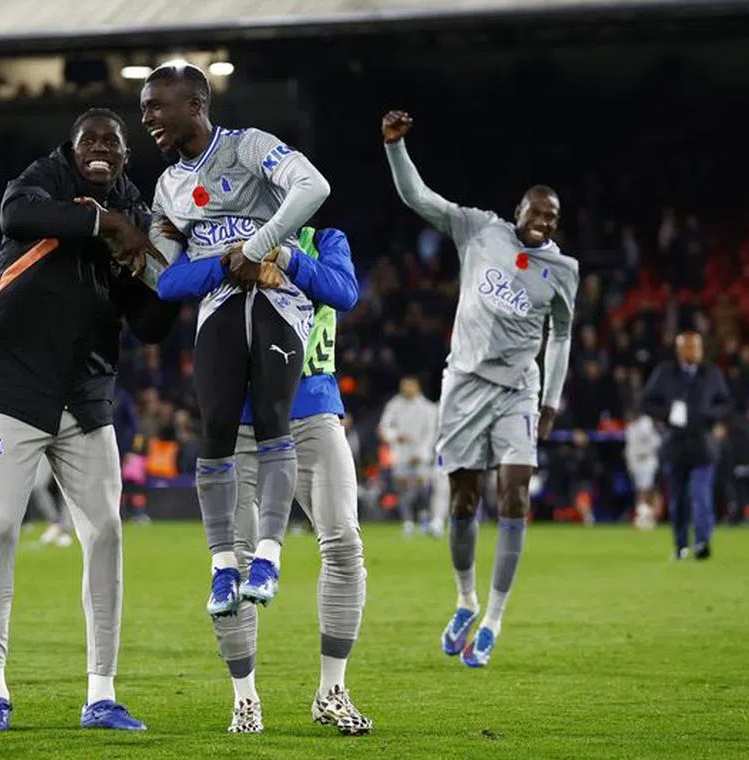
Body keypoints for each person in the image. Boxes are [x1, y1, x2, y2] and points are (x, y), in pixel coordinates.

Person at [0, 108, 179, 732]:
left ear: (124, 156)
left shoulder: (139, 212)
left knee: (107, 533)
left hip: (86, 395)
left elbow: (147, 325)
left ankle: (101, 693)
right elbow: (17, 217)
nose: (98, 149)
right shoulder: (43, 182)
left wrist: (163, 277)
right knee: (2, 528)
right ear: (73, 146)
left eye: (111, 143)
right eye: (89, 139)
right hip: (15, 391)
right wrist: (108, 224)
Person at [383, 109, 579, 668]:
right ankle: (466, 599)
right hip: (465, 384)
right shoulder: (479, 229)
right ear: (518, 210)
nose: (543, 220)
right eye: (536, 210)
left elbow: (561, 336)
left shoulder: (563, 271)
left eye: (552, 215)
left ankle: (494, 616)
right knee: (464, 499)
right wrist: (396, 148)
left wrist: (550, 402)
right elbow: (420, 199)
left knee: (514, 491)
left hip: (518, 387)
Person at [157, 226, 371, 735]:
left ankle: (332, 691)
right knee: (237, 557)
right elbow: (172, 282)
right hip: (241, 423)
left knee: (343, 541)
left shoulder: (326, 238)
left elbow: (344, 292)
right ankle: (245, 697)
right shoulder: (218, 237)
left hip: (314, 408)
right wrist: (232, 261)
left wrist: (286, 259)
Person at [141, 62, 331, 617]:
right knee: (216, 429)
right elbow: (164, 280)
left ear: (195, 105)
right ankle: (224, 566)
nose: (148, 118)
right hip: (220, 308)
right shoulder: (169, 187)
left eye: (157, 106)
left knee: (273, 419)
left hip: (279, 301)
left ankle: (268, 556)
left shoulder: (249, 147)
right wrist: (220, 265)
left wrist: (259, 246)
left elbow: (313, 186)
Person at [640, 331, 731, 559]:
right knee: (678, 499)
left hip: (702, 444)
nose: (695, 352)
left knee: (700, 495)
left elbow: (726, 403)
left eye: (698, 347)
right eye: (690, 347)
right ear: (679, 350)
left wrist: (708, 416)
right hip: (675, 445)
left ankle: (702, 543)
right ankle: (681, 546)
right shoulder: (665, 373)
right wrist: (667, 414)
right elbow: (647, 402)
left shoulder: (711, 374)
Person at [377, 376, 438, 537]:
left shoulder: (427, 408)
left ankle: (424, 518)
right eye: (405, 387)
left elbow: (431, 433)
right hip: (401, 452)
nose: (407, 390)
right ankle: (408, 522)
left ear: (417, 387)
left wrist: (420, 452)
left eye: (410, 386)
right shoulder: (394, 405)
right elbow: (384, 426)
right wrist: (395, 436)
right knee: (402, 488)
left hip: (421, 454)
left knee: (422, 487)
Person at [624, 412, 663, 529]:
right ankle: (643, 515)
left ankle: (647, 517)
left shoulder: (646, 423)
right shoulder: (630, 427)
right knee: (641, 490)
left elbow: (657, 442)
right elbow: (629, 447)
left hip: (648, 460)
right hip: (636, 463)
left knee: (646, 490)